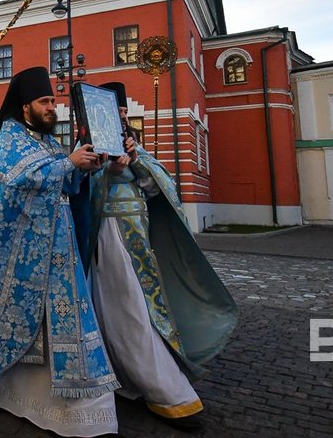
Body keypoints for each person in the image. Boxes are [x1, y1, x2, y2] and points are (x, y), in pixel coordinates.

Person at [0, 67, 118, 437]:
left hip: (57, 249)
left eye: (53, 101)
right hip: (20, 253)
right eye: (45, 102)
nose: (52, 107)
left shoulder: (49, 144)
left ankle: (78, 411)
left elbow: (65, 182)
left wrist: (84, 168)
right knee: (17, 319)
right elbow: (16, 180)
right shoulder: (9, 137)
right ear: (25, 107)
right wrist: (67, 164)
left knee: (64, 318)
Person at [83, 82, 238, 432]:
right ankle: (166, 390)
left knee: (144, 309)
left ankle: (133, 377)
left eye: (124, 111)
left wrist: (138, 163)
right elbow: (81, 191)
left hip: (141, 236)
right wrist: (108, 173)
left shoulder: (133, 145)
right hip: (110, 239)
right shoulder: (89, 146)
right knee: (130, 311)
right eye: (116, 112)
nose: (123, 117)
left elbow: (159, 188)